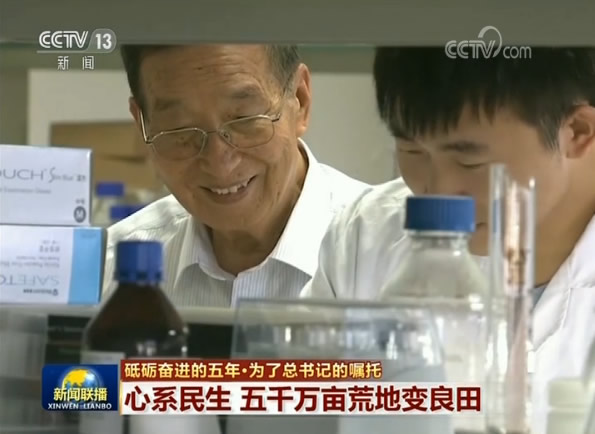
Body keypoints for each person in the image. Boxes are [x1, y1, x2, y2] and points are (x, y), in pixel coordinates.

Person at [302, 47, 595, 434]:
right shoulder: (364, 237)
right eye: (412, 150)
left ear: (577, 131)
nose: (437, 191)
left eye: (470, 161)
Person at [103, 44, 369, 306]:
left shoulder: (380, 253)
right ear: (142, 125)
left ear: (300, 100)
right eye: (180, 130)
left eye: (244, 119)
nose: (220, 164)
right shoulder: (107, 278)